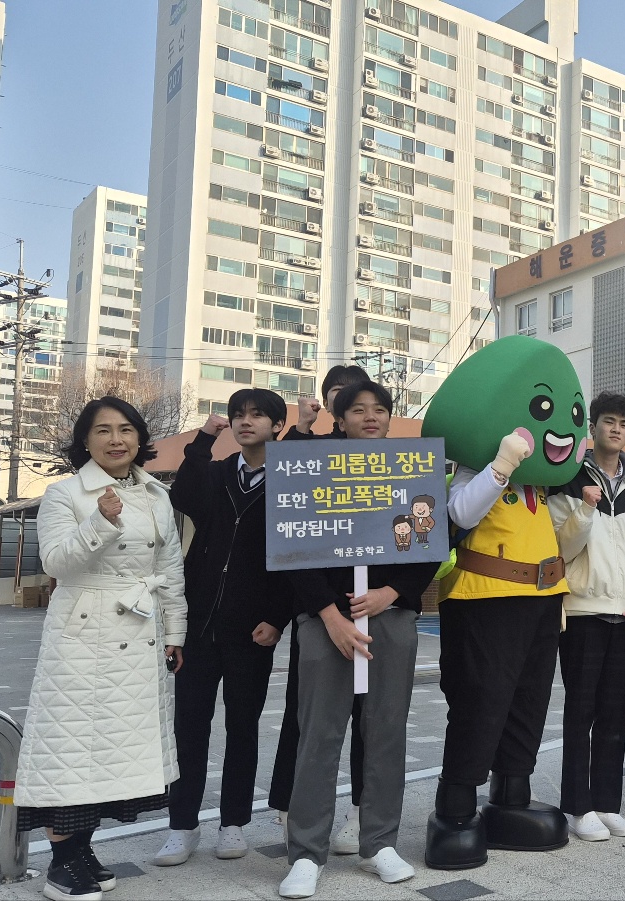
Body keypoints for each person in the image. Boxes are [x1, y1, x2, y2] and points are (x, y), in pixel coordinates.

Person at [420, 335, 590, 870]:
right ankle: (455, 806)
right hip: (485, 599)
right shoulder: (480, 467)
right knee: (481, 700)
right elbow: (463, 515)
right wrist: (500, 466)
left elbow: (560, 544)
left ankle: (510, 793)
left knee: (529, 700)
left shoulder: (542, 487)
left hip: (540, 601)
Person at [16, 397, 187, 901]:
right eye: (104, 431)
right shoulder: (65, 493)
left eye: (127, 430)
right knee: (73, 748)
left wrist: (176, 631)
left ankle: (83, 851)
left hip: (141, 631)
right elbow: (57, 563)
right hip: (81, 637)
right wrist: (101, 522)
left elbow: (171, 569)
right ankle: (61, 862)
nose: (117, 440)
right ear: (84, 441)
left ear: (140, 439)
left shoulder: (158, 494)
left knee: (114, 752)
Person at [278, 381, 437, 899]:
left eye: (380, 410)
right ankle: (305, 853)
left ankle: (379, 843)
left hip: (391, 616)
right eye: (358, 410)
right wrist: (329, 614)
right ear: (339, 419)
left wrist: (393, 592)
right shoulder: (309, 465)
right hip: (328, 619)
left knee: (387, 730)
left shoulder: (410, 468)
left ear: (390, 419)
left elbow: (431, 539)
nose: (371, 417)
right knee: (319, 735)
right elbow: (291, 545)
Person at [155, 389, 298, 868]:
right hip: (199, 625)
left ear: (277, 424)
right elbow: (183, 495)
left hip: (252, 630)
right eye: (238, 415)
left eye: (257, 415)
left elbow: (293, 560)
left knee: (243, 728)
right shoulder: (216, 473)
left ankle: (233, 822)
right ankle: (182, 826)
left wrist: (276, 618)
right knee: (189, 728)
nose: (245, 422)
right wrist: (202, 441)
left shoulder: (291, 481)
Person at [548, 392, 625, 842]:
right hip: (583, 613)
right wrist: (584, 507)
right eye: (608, 421)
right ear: (592, 427)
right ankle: (577, 808)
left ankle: (607, 804)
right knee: (580, 713)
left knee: (616, 714)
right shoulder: (568, 479)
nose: (616, 429)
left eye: (624, 423)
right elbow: (562, 548)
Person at [269, 363, 371, 855]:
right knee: (306, 717)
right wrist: (302, 427)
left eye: (361, 398)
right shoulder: (309, 449)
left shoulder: (386, 457)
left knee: (369, 718)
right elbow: (281, 491)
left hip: (372, 608)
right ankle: (295, 809)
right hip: (316, 608)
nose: (351, 404)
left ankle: (360, 814)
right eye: (340, 395)